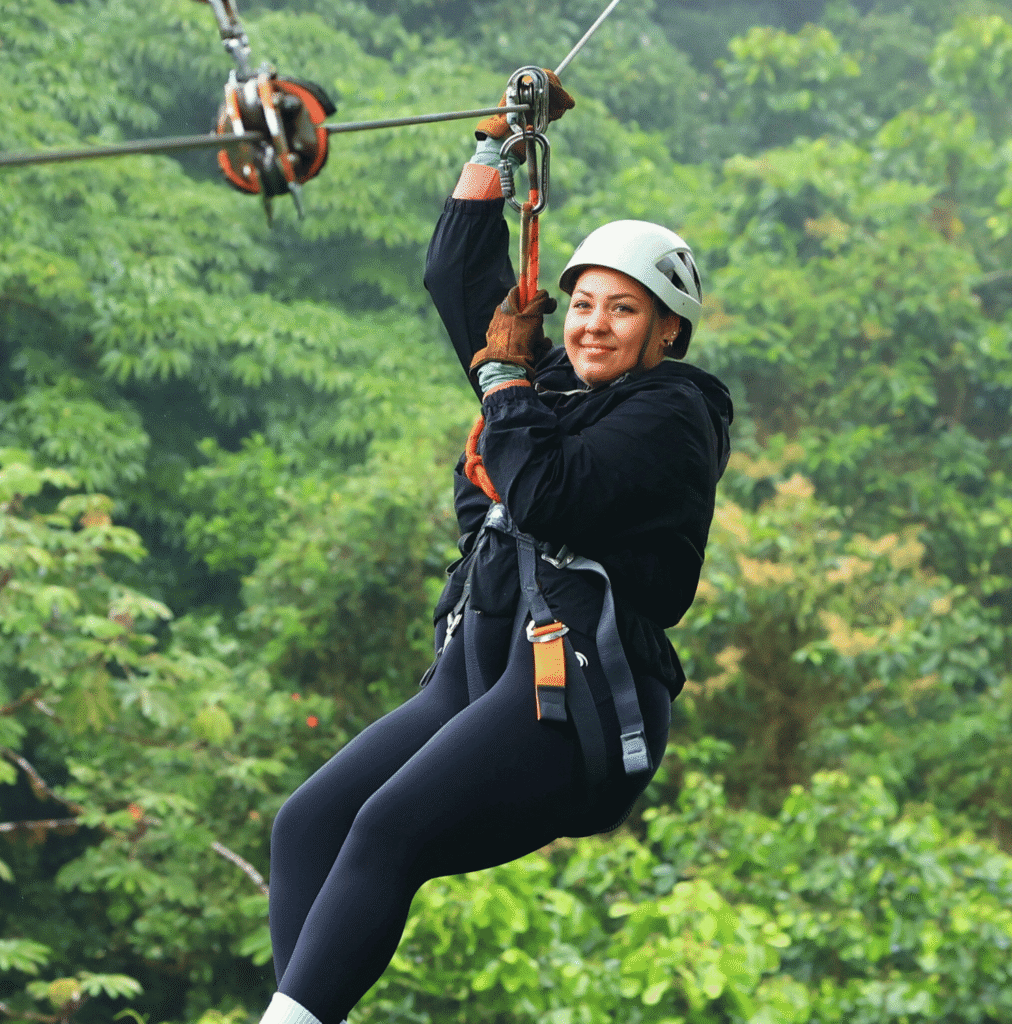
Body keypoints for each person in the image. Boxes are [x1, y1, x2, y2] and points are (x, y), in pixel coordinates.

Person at [258, 73, 732, 1024]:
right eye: (585, 305)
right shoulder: (552, 384)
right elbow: (457, 281)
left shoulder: (675, 411)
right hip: (476, 674)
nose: (594, 325)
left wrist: (507, 380)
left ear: (667, 331)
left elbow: (550, 494)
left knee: (387, 829)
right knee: (307, 824)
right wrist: (495, 151)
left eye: (624, 310)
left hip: (572, 696)